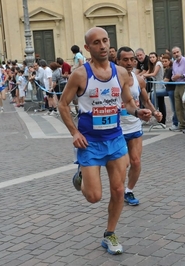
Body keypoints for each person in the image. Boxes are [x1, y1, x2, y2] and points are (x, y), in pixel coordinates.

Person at [58, 27, 152, 255]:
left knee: (119, 190)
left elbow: (128, 101)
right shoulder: (80, 74)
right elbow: (62, 104)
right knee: (93, 197)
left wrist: (137, 112)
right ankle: (81, 173)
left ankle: (110, 234)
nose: (102, 46)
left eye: (105, 41)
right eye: (96, 42)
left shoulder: (120, 73)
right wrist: (75, 133)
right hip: (90, 142)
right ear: (88, 48)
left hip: (116, 139)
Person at [117, 46, 162, 206]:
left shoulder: (139, 79)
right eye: (125, 60)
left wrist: (155, 112)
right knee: (124, 164)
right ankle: (118, 190)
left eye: (132, 59)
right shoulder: (112, 80)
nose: (129, 63)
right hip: (118, 129)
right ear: (118, 61)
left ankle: (128, 191)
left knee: (136, 162)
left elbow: (146, 100)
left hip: (135, 127)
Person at [143, 52, 166, 126]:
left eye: (153, 57)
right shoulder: (152, 65)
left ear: (156, 57)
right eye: (150, 57)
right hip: (155, 86)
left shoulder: (158, 64)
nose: (152, 59)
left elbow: (154, 74)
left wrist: (144, 75)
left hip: (160, 85)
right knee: (156, 102)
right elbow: (148, 72)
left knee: (160, 103)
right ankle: (159, 120)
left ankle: (162, 121)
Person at [162, 54, 179, 131]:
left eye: (166, 61)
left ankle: (175, 123)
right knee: (154, 94)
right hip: (168, 89)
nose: (164, 63)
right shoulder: (167, 69)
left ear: (169, 61)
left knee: (174, 108)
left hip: (171, 90)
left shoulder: (170, 69)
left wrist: (163, 81)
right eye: (163, 61)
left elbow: (165, 80)